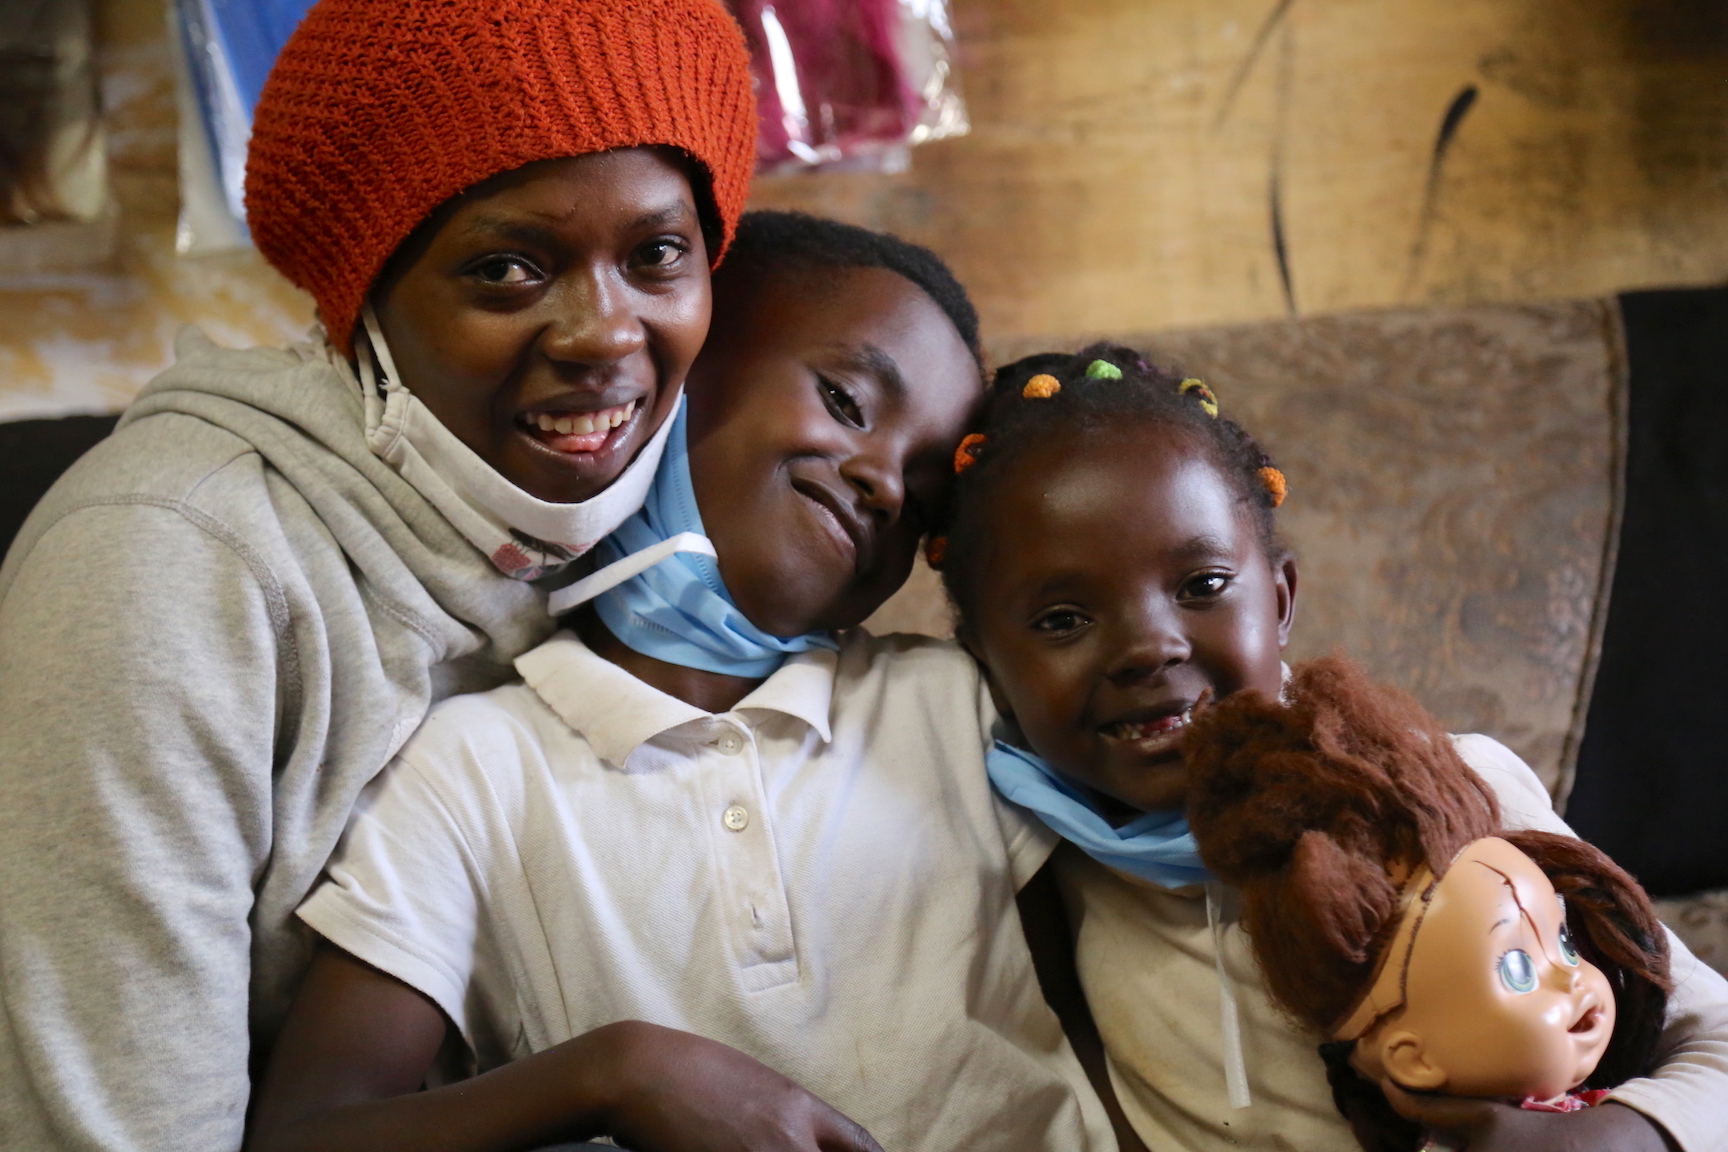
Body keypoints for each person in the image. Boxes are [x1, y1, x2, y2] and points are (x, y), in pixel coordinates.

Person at [0, 1, 754, 1147]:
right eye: (506, 269)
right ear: (362, 304)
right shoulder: (168, 564)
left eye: (658, 255)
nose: (606, 333)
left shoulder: (667, 520)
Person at [246, 213, 1116, 1152]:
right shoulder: (472, 773)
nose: (882, 483)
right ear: (673, 370)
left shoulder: (955, 707)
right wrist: (613, 1076)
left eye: (924, 491)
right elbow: (304, 1134)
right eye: (847, 401)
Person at [927, 344, 1728, 1152]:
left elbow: (1716, 1040)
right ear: (988, 666)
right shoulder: (1045, 860)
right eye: (1062, 619)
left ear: (1279, 603)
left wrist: (1623, 1137)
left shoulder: (1446, 795)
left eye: (1202, 586)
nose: (1148, 648)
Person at [1181, 655, 1672, 1150]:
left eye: (1565, 941)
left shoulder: (1475, 772)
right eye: (1517, 969)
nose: (1576, 979)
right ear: (1414, 1060)